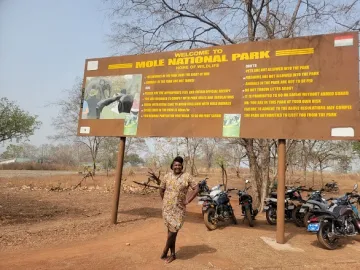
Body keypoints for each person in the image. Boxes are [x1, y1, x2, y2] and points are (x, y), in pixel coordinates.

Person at [159, 156, 200, 264]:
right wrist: (165, 200)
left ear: (182, 166)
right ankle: (173, 254)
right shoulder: (167, 176)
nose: (177, 167)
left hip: (179, 209)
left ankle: (165, 251)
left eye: (179, 165)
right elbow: (161, 189)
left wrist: (188, 201)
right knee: (171, 231)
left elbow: (197, 188)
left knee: (173, 231)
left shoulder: (187, 176)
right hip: (167, 209)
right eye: (175, 165)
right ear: (172, 166)